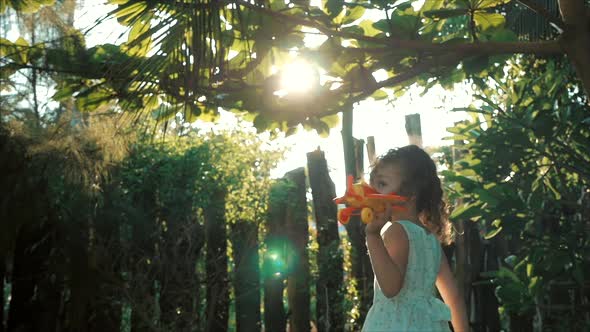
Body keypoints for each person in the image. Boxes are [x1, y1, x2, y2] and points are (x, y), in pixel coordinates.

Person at [362, 145, 469, 332]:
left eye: (382, 184)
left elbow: (391, 288)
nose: (372, 192)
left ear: (409, 195)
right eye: (372, 184)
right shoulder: (430, 241)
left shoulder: (397, 231)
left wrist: (372, 237)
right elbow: (453, 298)